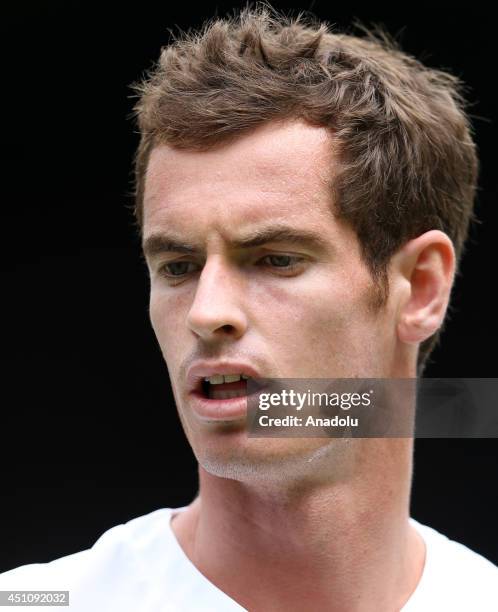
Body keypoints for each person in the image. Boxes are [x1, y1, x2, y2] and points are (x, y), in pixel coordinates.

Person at [1, 5, 496, 611]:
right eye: (178, 266)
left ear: (420, 287)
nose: (206, 313)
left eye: (275, 259)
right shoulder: (39, 601)